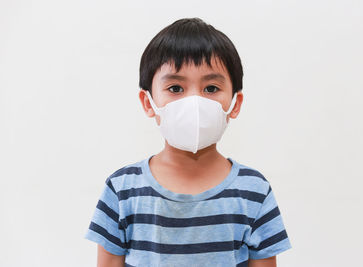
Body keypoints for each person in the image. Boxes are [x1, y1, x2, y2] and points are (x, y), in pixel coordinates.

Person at [84, 17, 292, 267]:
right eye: (175, 88)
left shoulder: (254, 191)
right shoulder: (122, 190)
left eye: (211, 88)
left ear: (235, 104)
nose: (194, 102)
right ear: (148, 102)